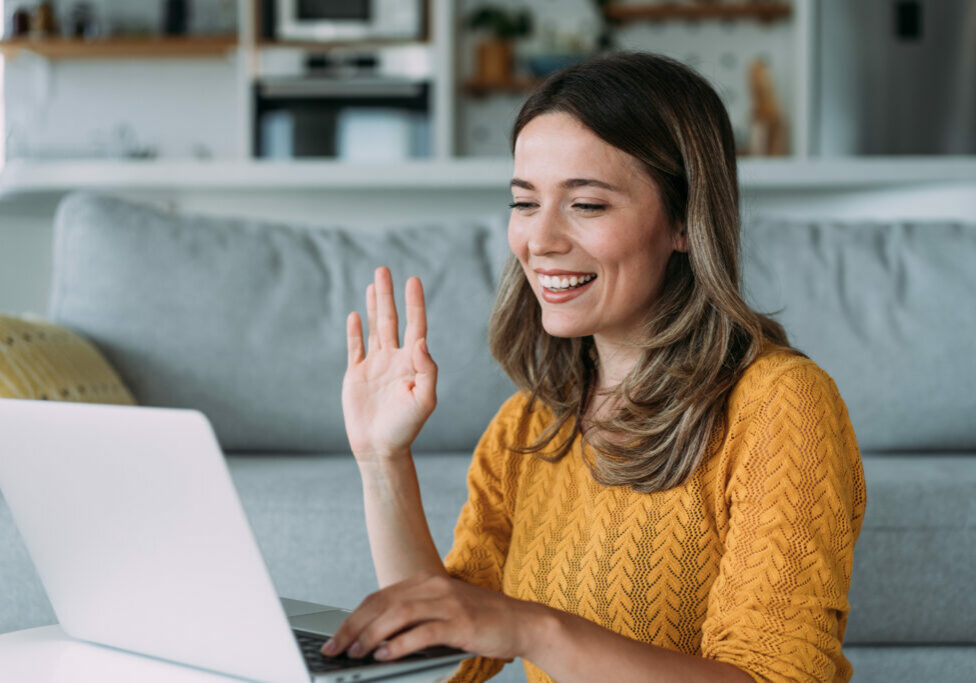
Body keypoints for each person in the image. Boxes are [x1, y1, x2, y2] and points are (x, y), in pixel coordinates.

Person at [321, 52, 867, 682]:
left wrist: (531, 627)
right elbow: (448, 646)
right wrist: (382, 460)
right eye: (525, 203)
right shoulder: (530, 425)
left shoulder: (780, 405)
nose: (541, 240)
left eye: (587, 205)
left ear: (685, 222)